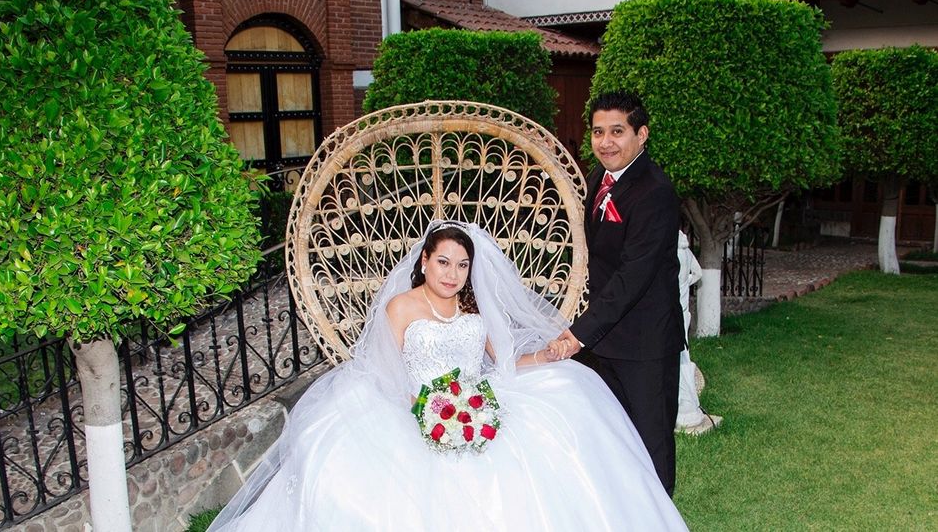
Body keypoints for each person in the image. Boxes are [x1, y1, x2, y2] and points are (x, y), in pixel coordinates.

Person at [207, 220, 687, 531]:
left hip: (479, 400)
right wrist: (421, 410)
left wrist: (542, 359)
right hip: (411, 408)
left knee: (566, 407)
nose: (453, 274)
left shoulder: (475, 305)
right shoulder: (401, 307)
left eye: (462, 265)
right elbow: (381, 370)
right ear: (423, 262)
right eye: (443, 262)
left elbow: (500, 364)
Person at [553, 91, 684, 496]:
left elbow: (634, 276)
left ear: (641, 135)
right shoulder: (598, 179)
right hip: (604, 340)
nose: (605, 141)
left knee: (651, 442)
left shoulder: (655, 192)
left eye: (617, 131)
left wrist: (577, 334)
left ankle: (658, 517)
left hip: (645, 343)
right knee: (611, 437)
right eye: (597, 132)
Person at [676, 230, 705, 429]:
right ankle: (685, 400)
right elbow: (700, 273)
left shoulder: (672, 253)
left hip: (673, 311)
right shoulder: (687, 253)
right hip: (683, 308)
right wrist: (686, 282)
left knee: (679, 354)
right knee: (683, 351)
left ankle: (686, 401)